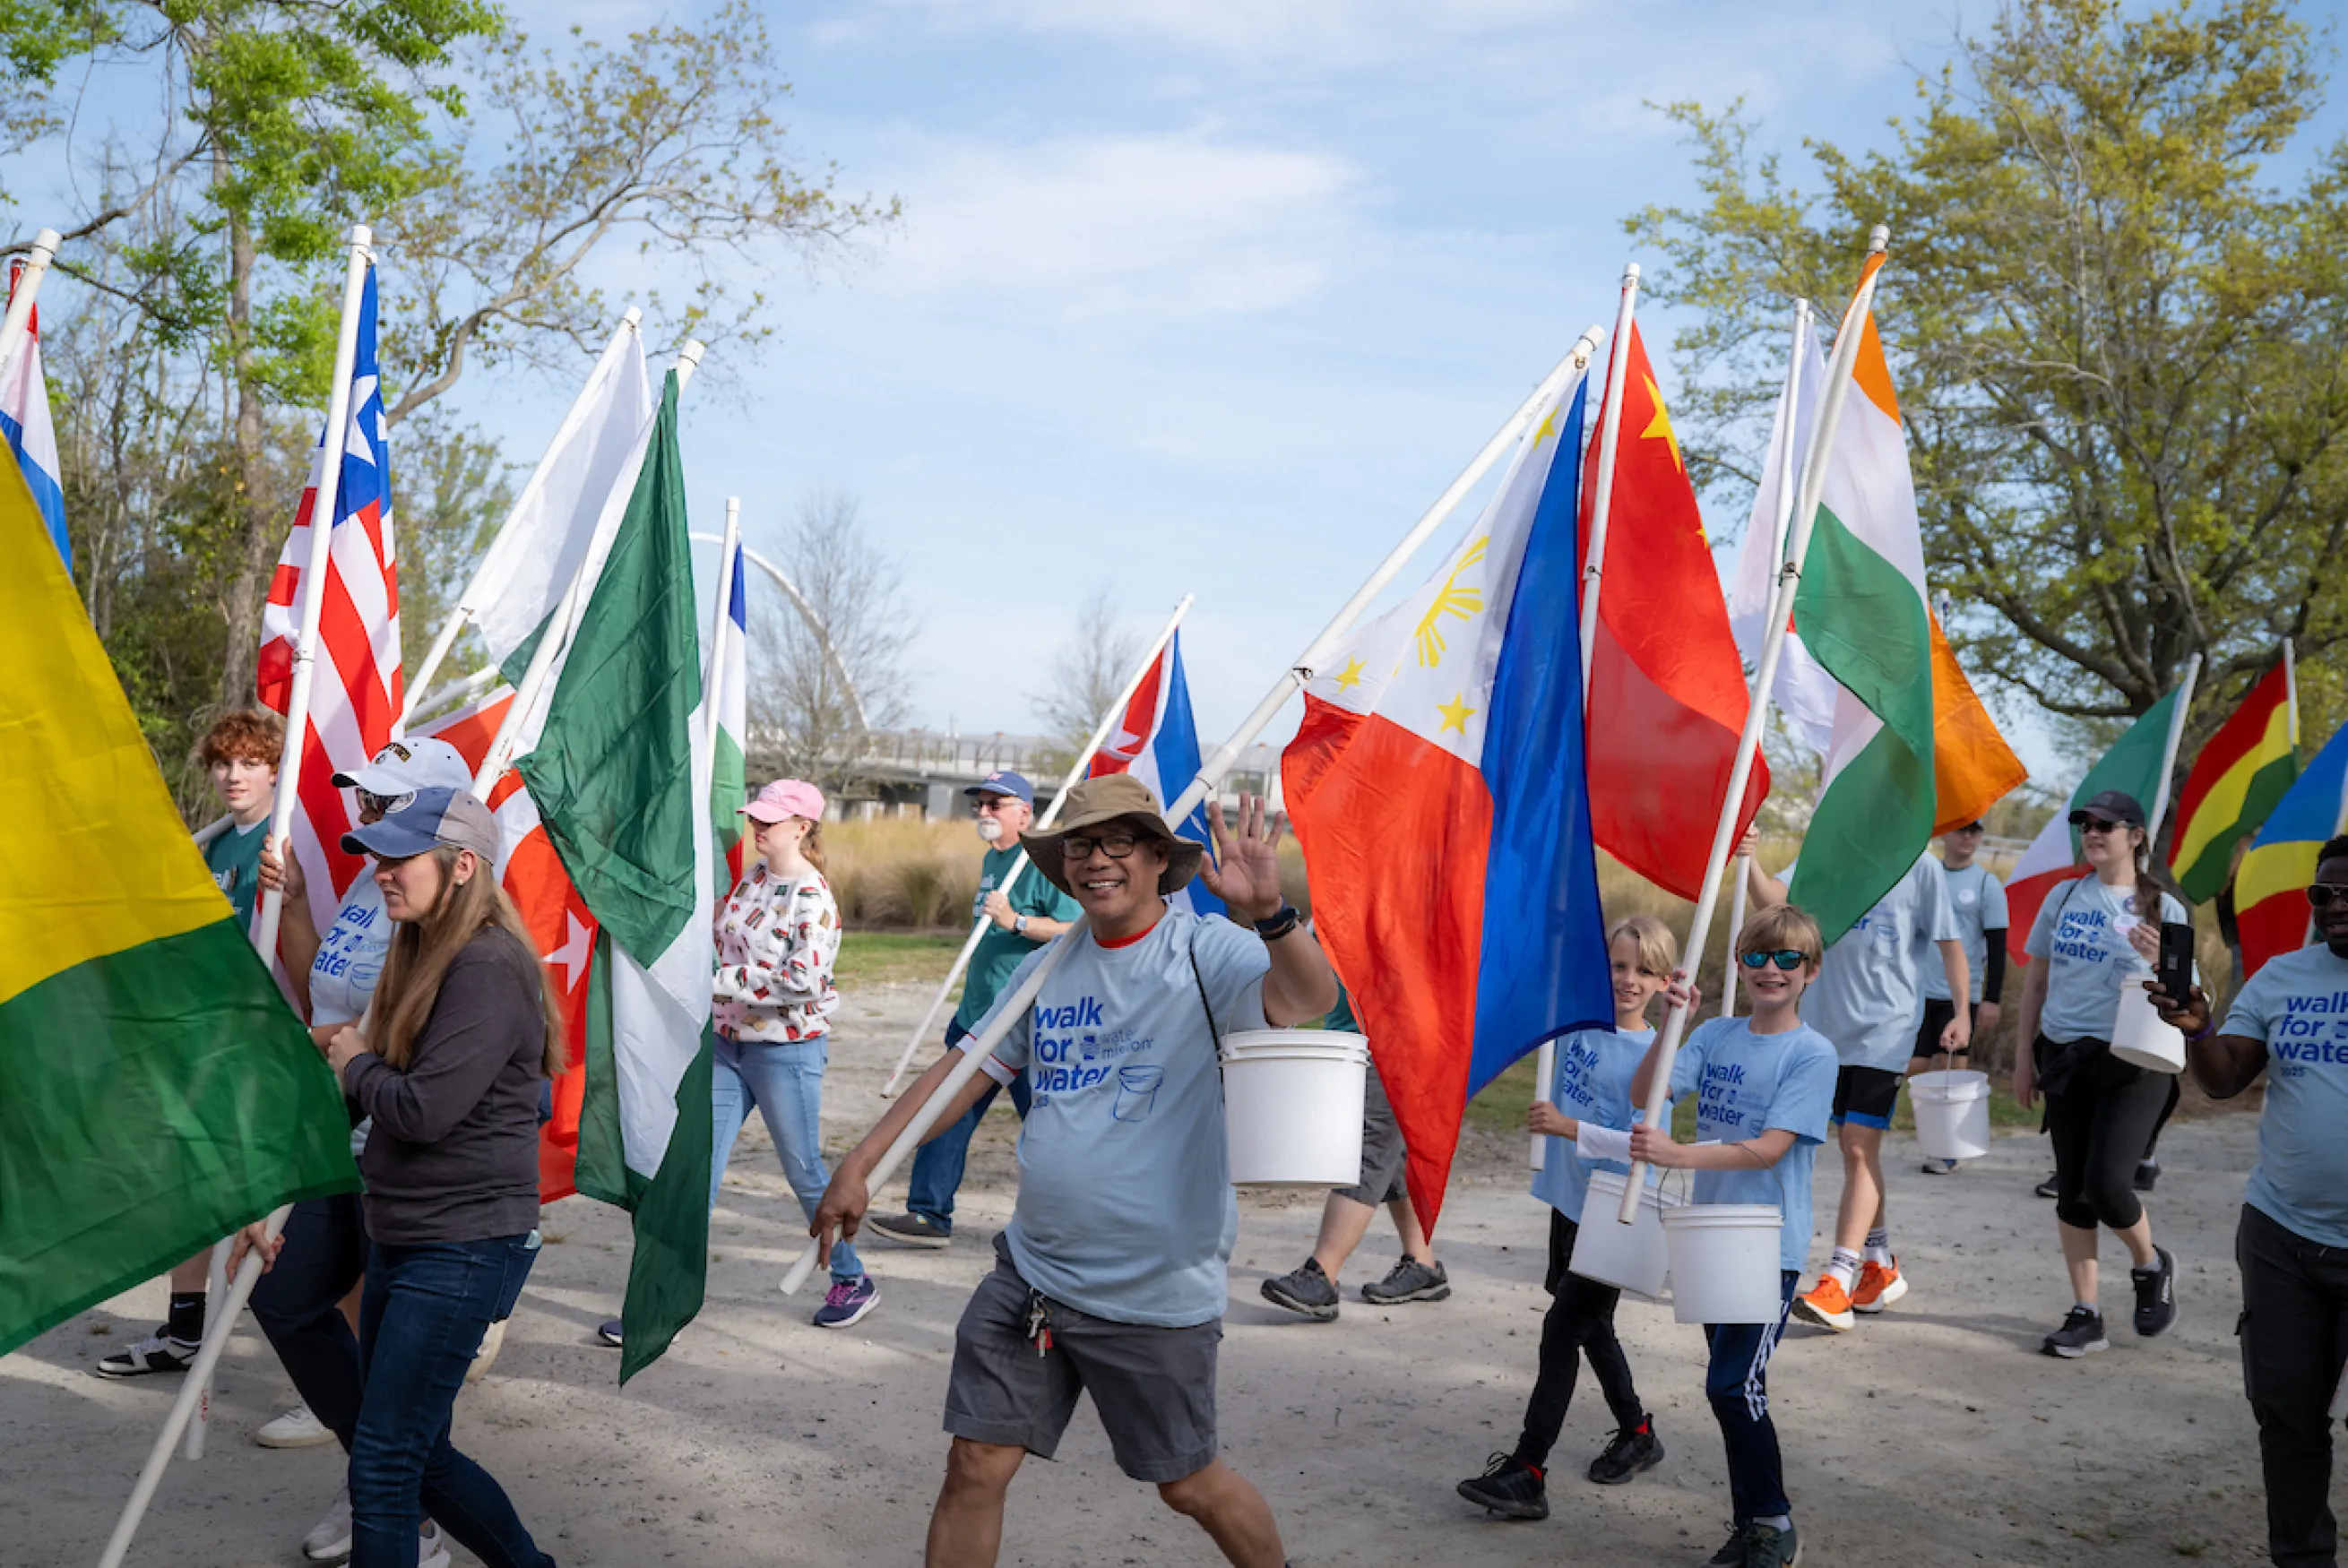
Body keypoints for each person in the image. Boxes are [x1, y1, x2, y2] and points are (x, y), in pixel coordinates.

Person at [811, 777, 1336, 1568]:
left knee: (1188, 1484)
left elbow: (1307, 1000)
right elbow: (964, 1072)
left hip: (1153, 1291)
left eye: (1118, 842)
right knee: (975, 1464)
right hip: (1033, 1275)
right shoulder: (1051, 966)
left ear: (1159, 858)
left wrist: (1270, 916)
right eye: (1081, 846)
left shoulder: (1206, 949)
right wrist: (861, 1165)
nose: (1097, 860)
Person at [241, 785, 561, 1568]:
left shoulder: (487, 964)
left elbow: (419, 1111)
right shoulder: (422, 953)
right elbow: (377, 1093)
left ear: (460, 867)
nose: (380, 870)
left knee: (384, 1464)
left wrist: (354, 1061)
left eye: (398, 857)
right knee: (418, 1455)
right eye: (376, 857)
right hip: (407, 1232)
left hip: (461, 1247)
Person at [251, 737, 477, 1564]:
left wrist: (296, 1047)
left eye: (385, 801)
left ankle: (395, 1502)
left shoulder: (439, 907)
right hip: (341, 1135)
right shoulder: (367, 878)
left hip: (407, 1155)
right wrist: (304, 907)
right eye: (365, 798)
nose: (366, 814)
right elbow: (329, 989)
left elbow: (405, 1033)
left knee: (397, 1347)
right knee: (285, 1300)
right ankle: (382, 1479)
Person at [2155, 834, 2348, 1568]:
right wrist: (2199, 1027)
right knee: (2288, 1417)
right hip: (2282, 1239)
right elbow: (2226, 1078)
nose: (2334, 907)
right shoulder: (2280, 978)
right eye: (2322, 894)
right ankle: (2301, 1559)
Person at [1629, 905, 1838, 1568]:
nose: (1770, 970)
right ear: (1741, 963)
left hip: (1765, 1244)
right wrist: (1672, 1025)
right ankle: (1752, 1521)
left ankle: (1772, 1523)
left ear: (1810, 971)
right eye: (1756, 957)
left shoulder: (1812, 1053)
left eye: (1786, 960)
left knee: (1732, 1387)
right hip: (1709, 1236)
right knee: (1732, 1385)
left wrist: (1678, 1155)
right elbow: (1647, 1093)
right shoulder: (1716, 1034)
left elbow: (1771, 1149)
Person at [1455, 915, 1676, 1521]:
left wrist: (1566, 1126)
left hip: (1617, 1213)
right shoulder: (1574, 1022)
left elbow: (1643, 1141)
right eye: (1619, 965)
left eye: (1644, 970)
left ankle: (1528, 1469)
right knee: (1589, 1325)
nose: (1629, 979)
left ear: (1662, 981)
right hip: (1571, 1201)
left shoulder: (1657, 1053)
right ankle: (1637, 1431)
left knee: (1562, 1329)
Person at [98, 708, 282, 1379]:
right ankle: (183, 1334)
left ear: (274, 770)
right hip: (207, 1041)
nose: (234, 776)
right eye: (224, 764)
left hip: (267, 1046)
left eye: (250, 763)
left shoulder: (283, 839)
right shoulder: (212, 845)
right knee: (189, 1185)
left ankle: (322, 1350)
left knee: (265, 1198)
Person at [1743, 843, 1967, 1331]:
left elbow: (1951, 944)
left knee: (1857, 1148)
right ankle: (1879, 1261)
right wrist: (1750, 857)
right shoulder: (1832, 844)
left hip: (1885, 1031)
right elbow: (1773, 901)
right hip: (1825, 1030)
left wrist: (1962, 1013)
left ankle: (1838, 1280)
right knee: (1851, 1151)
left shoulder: (1920, 864)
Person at [869, 770, 1076, 1248]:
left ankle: (1071, 1223)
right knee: (945, 1114)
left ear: (1025, 811)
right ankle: (928, 1215)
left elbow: (1072, 930)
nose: (983, 812)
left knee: (1048, 1130)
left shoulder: (1039, 862)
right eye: (979, 804)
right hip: (977, 1015)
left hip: (1026, 1022)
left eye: (995, 804)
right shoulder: (993, 858)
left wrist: (1017, 920)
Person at [2011, 788, 2185, 1357]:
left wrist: (2163, 960)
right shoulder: (2063, 897)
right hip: (2065, 1058)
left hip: (2136, 1062)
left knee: (2109, 1187)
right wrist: (2022, 1060)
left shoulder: (2164, 908)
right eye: (2085, 822)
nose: (2093, 831)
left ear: (2136, 837)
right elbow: (2035, 983)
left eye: (2107, 825)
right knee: (2073, 1194)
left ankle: (2151, 1263)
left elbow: (2188, 999)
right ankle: (2086, 1315)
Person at [1258, 975, 1449, 1321]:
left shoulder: (1387, 919)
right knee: (1391, 1157)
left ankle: (1322, 1275)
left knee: (1368, 1150)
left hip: (1395, 1039)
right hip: (1356, 1040)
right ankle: (1423, 1263)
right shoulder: (1323, 922)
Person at [1917, 820, 2007, 1175]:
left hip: (1960, 994)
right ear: (1945, 833)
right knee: (1912, 1066)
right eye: (1962, 829)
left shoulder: (1986, 884)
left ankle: (1946, 1148)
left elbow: (1997, 947)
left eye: (1976, 830)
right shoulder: (1926, 874)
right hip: (1918, 991)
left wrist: (1991, 998)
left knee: (1951, 1071)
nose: (1969, 836)